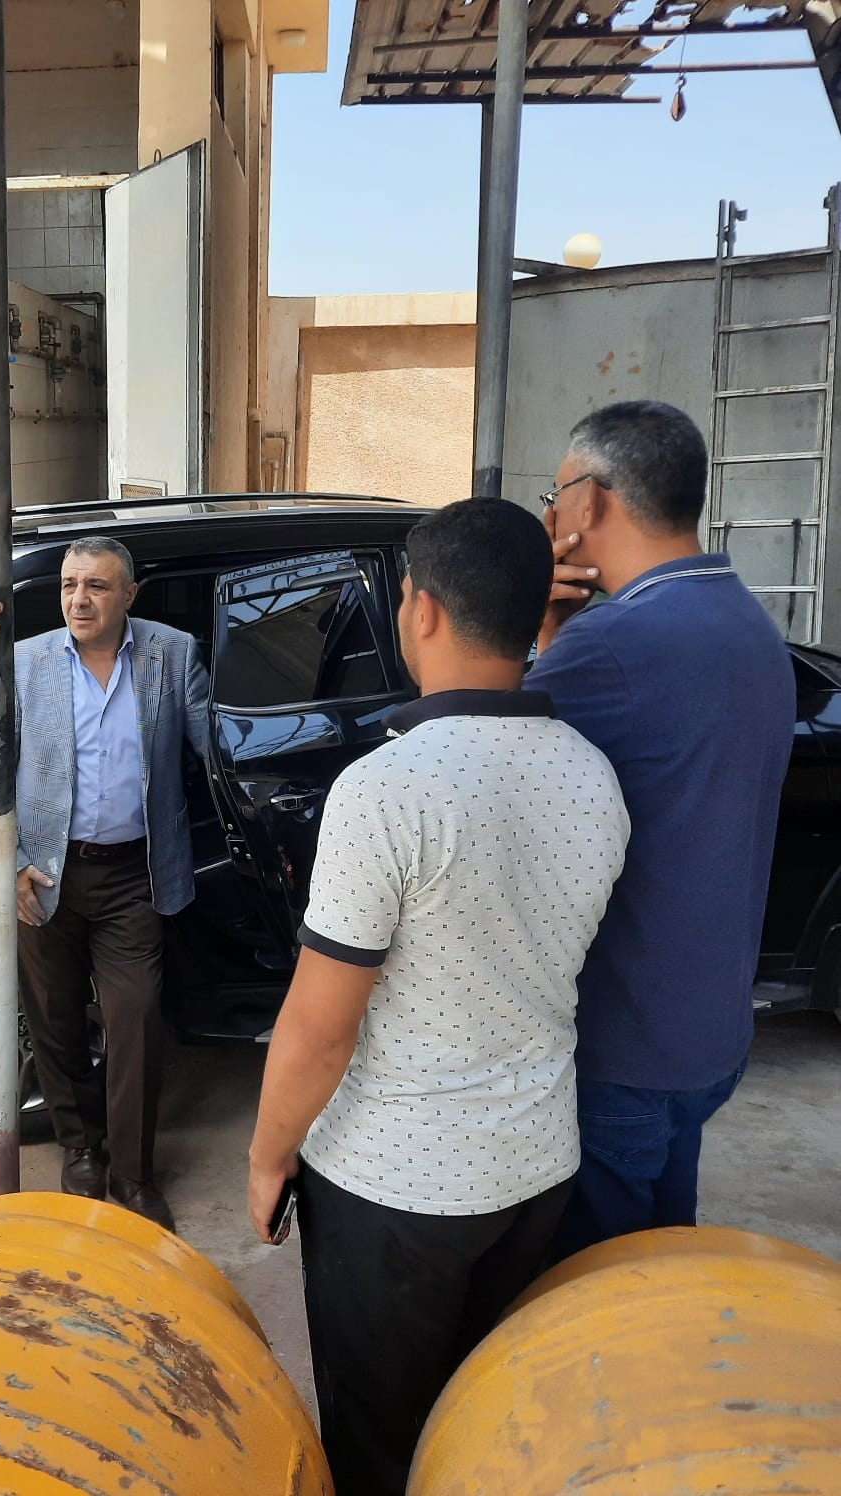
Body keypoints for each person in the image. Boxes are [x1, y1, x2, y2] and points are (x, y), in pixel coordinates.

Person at [247, 498, 630, 1496]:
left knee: (379, 1446)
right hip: (536, 1166)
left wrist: (268, 1153)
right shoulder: (593, 776)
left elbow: (319, 1029)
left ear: (419, 609)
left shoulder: (387, 788)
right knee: (486, 1419)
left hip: (396, 1189)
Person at [529, 400, 794, 1258]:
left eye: (555, 497)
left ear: (592, 499)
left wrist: (541, 631)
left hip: (622, 1049)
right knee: (664, 1263)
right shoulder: (748, 623)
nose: (553, 515)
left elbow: (486, 758)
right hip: (708, 1034)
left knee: (589, 1294)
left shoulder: (611, 645)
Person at [15, 535, 209, 1233]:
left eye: (97, 586)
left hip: (135, 874)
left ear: (129, 594)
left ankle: (132, 1173)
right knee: (55, 1018)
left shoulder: (171, 655)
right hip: (46, 873)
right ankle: (80, 1148)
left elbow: (215, 751)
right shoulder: (27, 662)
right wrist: (10, 863)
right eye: (70, 585)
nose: (79, 599)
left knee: (137, 1020)